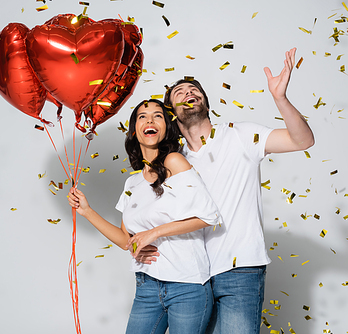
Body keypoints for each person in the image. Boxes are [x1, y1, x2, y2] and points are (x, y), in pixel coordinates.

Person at [136, 48, 315, 333]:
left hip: (240, 270)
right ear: (171, 112)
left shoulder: (241, 135)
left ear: (205, 102)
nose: (188, 93)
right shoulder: (173, 160)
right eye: (179, 92)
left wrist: (279, 98)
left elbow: (302, 140)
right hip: (192, 276)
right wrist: (143, 241)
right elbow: (154, 213)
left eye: (194, 90)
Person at [68, 99, 222, 334]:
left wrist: (154, 233)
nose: (150, 120)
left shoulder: (175, 161)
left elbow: (209, 216)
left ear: (167, 127)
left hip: (187, 286)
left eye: (157, 116)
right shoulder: (133, 182)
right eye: (142, 116)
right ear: (134, 131)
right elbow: (124, 239)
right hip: (147, 286)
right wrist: (87, 211)